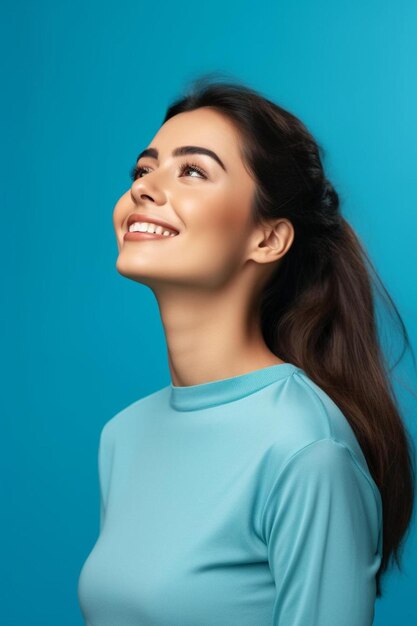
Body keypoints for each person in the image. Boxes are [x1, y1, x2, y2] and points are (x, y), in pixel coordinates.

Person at [77, 76, 415, 626]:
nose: (145, 188)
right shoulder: (122, 437)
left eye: (192, 170)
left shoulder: (307, 452)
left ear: (268, 239)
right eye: (144, 169)